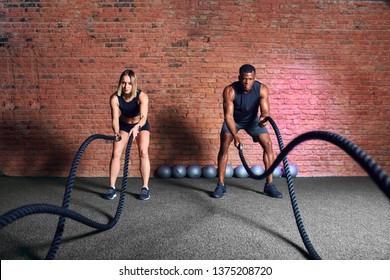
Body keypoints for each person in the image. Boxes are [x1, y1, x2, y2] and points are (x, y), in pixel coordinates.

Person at [213, 64, 282, 199]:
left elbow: (265, 111)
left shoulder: (262, 89)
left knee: (268, 144)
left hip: (253, 121)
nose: (247, 82)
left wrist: (263, 118)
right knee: (224, 145)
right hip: (234, 121)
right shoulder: (230, 91)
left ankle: (270, 185)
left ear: (254, 78)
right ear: (239, 78)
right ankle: (220, 185)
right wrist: (235, 136)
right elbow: (228, 116)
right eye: (244, 79)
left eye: (250, 79)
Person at [104, 69, 151, 200]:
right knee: (116, 152)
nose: (126, 86)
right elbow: (114, 119)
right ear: (120, 83)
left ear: (134, 84)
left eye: (129, 83)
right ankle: (112, 188)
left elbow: (143, 117)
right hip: (123, 125)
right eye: (123, 83)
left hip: (141, 125)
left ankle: (145, 187)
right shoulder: (115, 98)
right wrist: (116, 132)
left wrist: (137, 127)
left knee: (143, 152)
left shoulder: (142, 96)